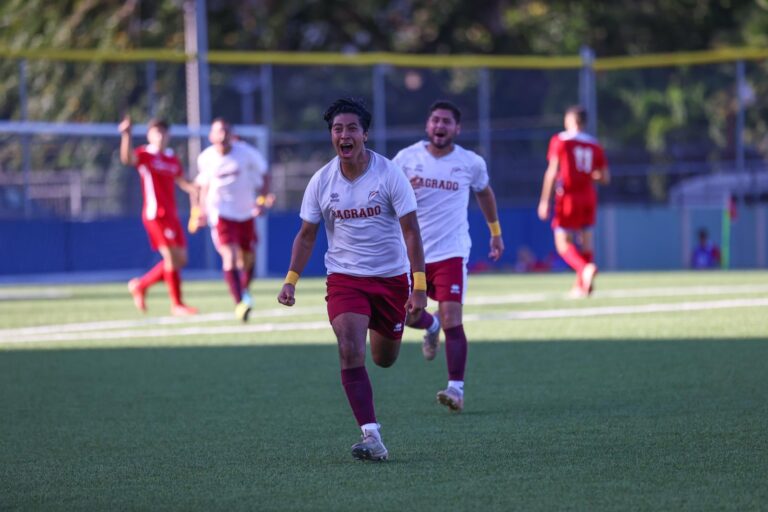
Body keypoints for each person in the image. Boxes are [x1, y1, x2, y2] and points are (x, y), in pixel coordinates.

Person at [277, 98, 427, 462]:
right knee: (349, 348)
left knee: (385, 358)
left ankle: (427, 325)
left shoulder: (389, 174)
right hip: (345, 279)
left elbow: (411, 232)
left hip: (391, 280)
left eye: (351, 128)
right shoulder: (321, 181)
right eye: (337, 129)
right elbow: (307, 235)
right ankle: (371, 435)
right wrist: (291, 279)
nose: (344, 135)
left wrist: (419, 287)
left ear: (364, 134)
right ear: (332, 135)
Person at [392, 100, 504, 413]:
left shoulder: (470, 162)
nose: (440, 126)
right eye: (435, 120)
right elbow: (385, 193)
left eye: (447, 122)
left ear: (457, 128)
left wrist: (495, 232)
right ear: (428, 126)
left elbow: (484, 193)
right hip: (412, 254)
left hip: (452, 251)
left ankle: (456, 389)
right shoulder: (406, 159)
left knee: (453, 318)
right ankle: (429, 327)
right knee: (407, 315)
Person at [193, 118, 273, 321]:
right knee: (229, 256)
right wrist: (199, 210)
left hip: (246, 214)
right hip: (221, 214)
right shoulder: (206, 158)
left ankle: (244, 291)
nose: (222, 136)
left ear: (232, 134)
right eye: (218, 132)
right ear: (211, 136)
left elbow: (265, 174)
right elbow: (202, 186)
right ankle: (240, 303)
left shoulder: (246, 153)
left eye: (226, 131)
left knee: (248, 260)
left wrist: (262, 200)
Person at [119, 115, 198, 316]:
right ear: (149, 135)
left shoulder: (172, 158)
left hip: (171, 215)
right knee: (171, 258)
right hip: (156, 215)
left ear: (168, 135)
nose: (161, 136)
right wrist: (126, 135)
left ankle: (142, 285)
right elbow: (127, 159)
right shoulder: (146, 155)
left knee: (181, 260)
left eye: (163, 132)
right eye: (156, 132)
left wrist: (197, 189)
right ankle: (177, 304)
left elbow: (183, 182)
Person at [537, 105, 610, 297]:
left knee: (562, 243)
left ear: (570, 121)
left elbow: (552, 171)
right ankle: (583, 286)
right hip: (588, 195)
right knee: (586, 241)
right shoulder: (594, 144)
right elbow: (605, 177)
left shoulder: (560, 140)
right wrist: (586, 175)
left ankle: (584, 268)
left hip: (568, 196)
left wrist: (545, 200)